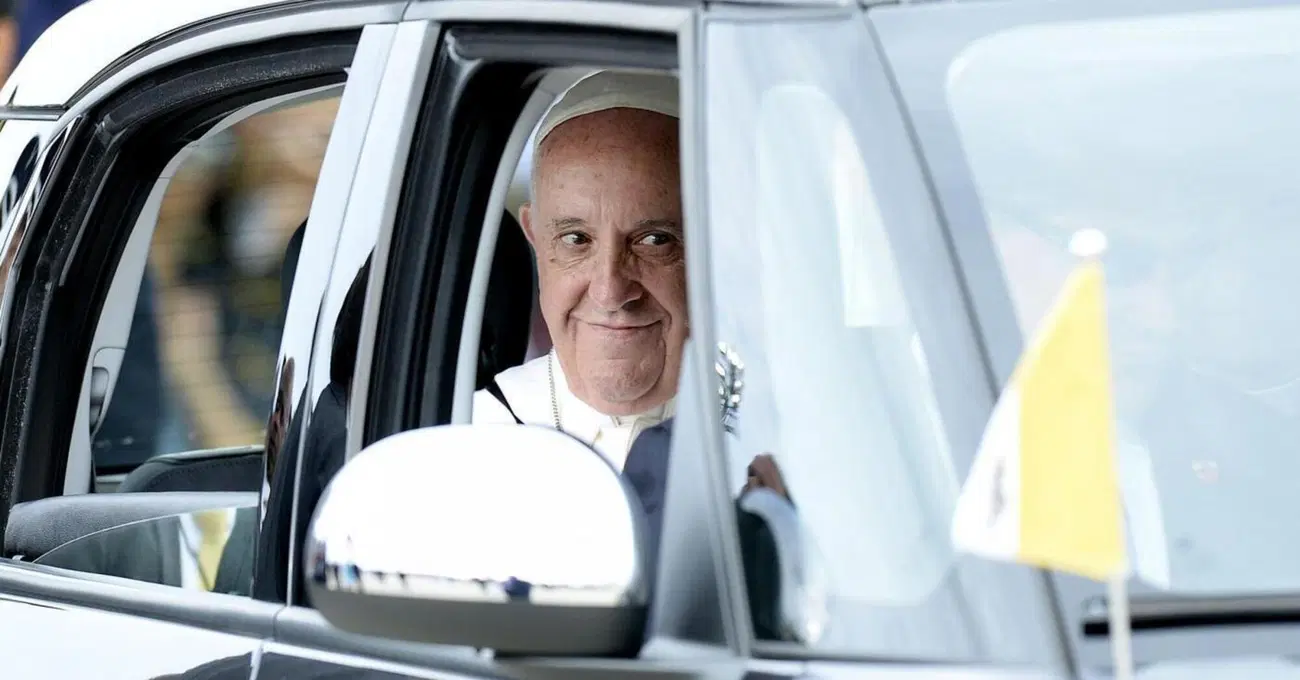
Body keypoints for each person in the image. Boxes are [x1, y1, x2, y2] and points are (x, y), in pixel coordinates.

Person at [472, 69, 687, 473]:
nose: (610, 292)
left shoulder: (782, 439)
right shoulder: (467, 438)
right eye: (576, 239)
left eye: (654, 240)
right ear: (535, 237)